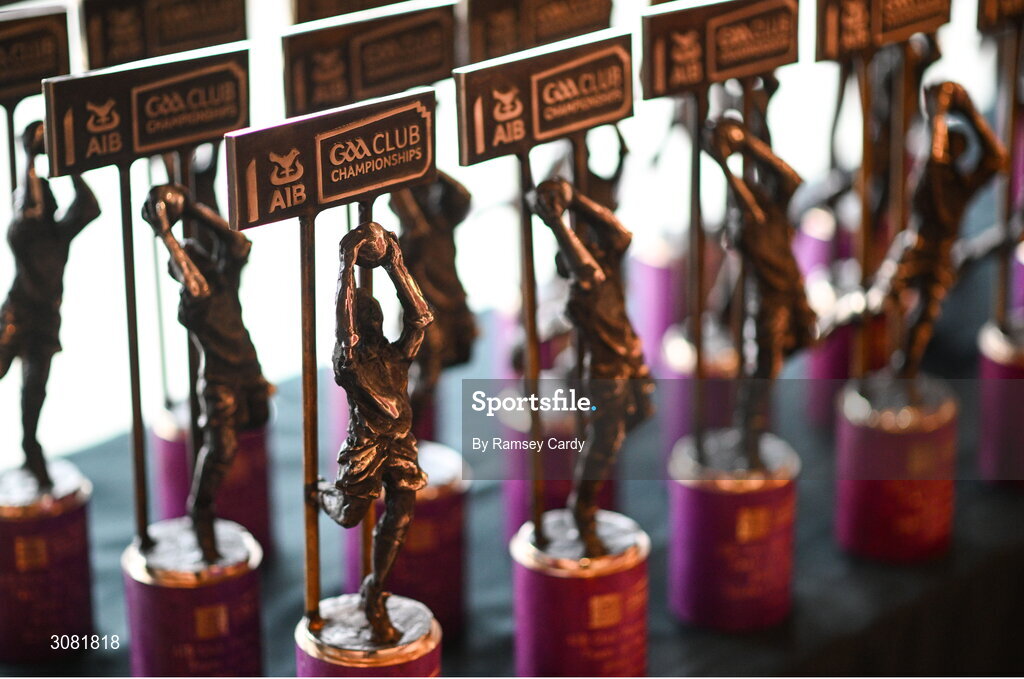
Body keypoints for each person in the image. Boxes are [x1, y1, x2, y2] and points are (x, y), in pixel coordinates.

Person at [142, 184, 272, 563]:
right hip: (220, 384)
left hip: (249, 371)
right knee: (221, 452)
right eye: (192, 259)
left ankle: (208, 512)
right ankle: (201, 510)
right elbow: (196, 287)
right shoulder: (192, 305)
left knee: (260, 419)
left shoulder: (225, 280)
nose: (202, 258)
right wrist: (165, 234)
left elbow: (238, 244)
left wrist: (192, 208)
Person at [318, 221, 434, 644]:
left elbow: (421, 318)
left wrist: (395, 264)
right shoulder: (349, 363)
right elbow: (344, 331)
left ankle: (375, 589)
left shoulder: (396, 356)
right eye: (368, 318)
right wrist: (346, 264)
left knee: (402, 512)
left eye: (375, 316)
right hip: (366, 446)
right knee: (350, 516)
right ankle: (320, 492)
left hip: (399, 443)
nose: (374, 321)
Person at [529, 178, 654, 559]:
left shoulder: (608, 267)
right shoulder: (582, 291)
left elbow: (621, 234)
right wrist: (556, 221)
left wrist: (576, 200)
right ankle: (582, 507)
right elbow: (588, 270)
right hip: (605, 373)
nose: (596, 249)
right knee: (602, 445)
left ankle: (585, 497)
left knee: (642, 413)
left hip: (631, 356)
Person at [868, 82, 1007, 379]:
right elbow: (933, 156)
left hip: (940, 254)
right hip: (915, 248)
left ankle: (903, 372)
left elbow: (996, 158)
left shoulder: (961, 185)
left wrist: (966, 111)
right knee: (881, 300)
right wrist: (940, 116)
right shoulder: (927, 179)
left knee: (923, 318)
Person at [705, 117, 817, 468]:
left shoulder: (774, 213)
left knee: (792, 350)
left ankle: (748, 431)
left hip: (792, 293)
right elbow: (750, 210)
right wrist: (726, 165)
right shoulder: (748, 229)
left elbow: (791, 178)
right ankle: (747, 436)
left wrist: (746, 145)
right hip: (768, 304)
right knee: (761, 375)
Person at [0, 122, 100, 490]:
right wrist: (29, 157)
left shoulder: (59, 233)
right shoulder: (21, 233)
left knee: (34, 392)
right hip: (17, 315)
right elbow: (28, 206)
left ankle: (31, 447)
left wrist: (68, 165)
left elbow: (90, 206)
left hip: (45, 322)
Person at [389, 172, 476, 434]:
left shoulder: (442, 221)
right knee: (428, 377)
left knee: (456, 357)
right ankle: (405, 435)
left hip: (451, 303)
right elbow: (394, 189)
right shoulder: (412, 235)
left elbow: (462, 197)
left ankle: (409, 434)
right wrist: (404, 168)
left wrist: (429, 168)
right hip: (424, 312)